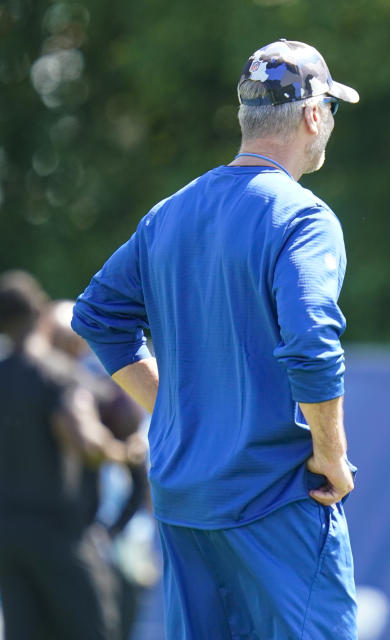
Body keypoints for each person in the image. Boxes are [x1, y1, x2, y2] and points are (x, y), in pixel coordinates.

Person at [71, 39, 361, 639]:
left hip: (184, 498)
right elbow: (311, 343)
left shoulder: (169, 213)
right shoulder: (303, 217)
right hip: (275, 496)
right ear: (312, 115)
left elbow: (99, 317)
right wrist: (330, 455)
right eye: (330, 108)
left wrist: (177, 412)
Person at [0, 270, 133, 640]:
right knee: (94, 628)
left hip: (7, 533)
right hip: (57, 531)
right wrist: (123, 454)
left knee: (25, 632)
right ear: (41, 312)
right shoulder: (58, 376)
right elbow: (85, 442)